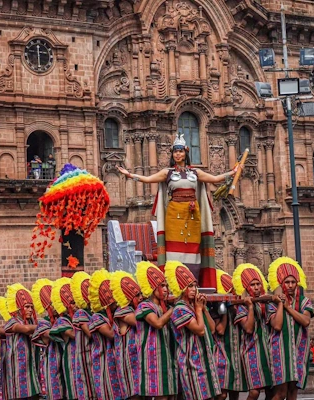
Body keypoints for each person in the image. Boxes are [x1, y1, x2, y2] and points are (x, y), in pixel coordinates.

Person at [117, 132, 240, 287]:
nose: (178, 154)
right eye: (175, 151)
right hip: (174, 216)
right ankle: (174, 282)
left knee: (193, 248)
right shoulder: (167, 173)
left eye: (180, 151)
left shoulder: (195, 173)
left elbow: (215, 179)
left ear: (186, 153)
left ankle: (192, 284)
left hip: (193, 215)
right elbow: (148, 179)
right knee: (175, 250)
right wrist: (129, 175)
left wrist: (233, 172)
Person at [165, 260, 221, 400]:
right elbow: (200, 330)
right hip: (191, 364)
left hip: (205, 361)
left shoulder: (196, 306)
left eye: (195, 286)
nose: (193, 290)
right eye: (189, 286)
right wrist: (198, 309)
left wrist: (203, 309)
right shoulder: (179, 309)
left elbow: (212, 329)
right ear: (181, 288)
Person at [267, 257, 314, 400]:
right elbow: (277, 325)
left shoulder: (304, 302)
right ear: (281, 283)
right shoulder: (273, 303)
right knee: (280, 393)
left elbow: (305, 321)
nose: (290, 285)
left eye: (293, 282)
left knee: (293, 391)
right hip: (280, 352)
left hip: (299, 351)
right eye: (287, 282)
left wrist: (288, 307)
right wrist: (281, 304)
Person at [135, 261, 178, 400]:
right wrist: (174, 308)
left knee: (168, 396)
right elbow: (158, 323)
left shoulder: (164, 307)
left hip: (166, 357)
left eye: (166, 286)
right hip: (152, 360)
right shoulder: (145, 306)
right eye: (162, 286)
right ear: (153, 288)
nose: (166, 289)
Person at [232, 264, 274, 400]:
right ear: (246, 287)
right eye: (252, 285)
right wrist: (250, 307)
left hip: (268, 351)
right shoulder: (241, 307)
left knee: (271, 391)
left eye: (258, 284)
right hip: (251, 352)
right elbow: (249, 329)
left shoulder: (266, 304)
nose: (256, 288)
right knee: (254, 392)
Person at [212, 270, 247, 400]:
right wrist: (224, 310)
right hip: (221, 353)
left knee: (234, 392)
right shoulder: (215, 309)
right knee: (222, 394)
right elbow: (220, 329)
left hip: (236, 354)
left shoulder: (239, 308)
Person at [88, 269, 122, 400]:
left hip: (116, 363)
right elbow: (112, 334)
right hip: (103, 364)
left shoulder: (115, 315)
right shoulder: (97, 318)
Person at [4, 283, 41, 400]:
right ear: (19, 308)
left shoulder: (31, 323)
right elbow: (25, 329)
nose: (30, 310)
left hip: (32, 369)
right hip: (18, 371)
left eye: (31, 307)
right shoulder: (13, 321)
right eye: (27, 307)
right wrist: (45, 327)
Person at [111, 271, 143, 400]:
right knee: (133, 394)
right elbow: (140, 322)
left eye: (141, 294)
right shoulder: (123, 312)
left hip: (137, 359)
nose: (141, 297)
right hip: (128, 361)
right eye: (137, 295)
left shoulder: (134, 309)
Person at [31, 278, 64, 400]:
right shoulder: (43, 323)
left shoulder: (64, 319)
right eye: (53, 302)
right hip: (53, 364)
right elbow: (53, 336)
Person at [50, 278, 79, 400]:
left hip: (82, 361)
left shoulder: (80, 317)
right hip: (71, 363)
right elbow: (75, 335)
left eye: (76, 301)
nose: (76, 305)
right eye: (72, 302)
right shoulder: (62, 321)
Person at [71, 271, 97, 400]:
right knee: (88, 391)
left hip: (94, 357)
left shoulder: (93, 312)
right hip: (84, 357)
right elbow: (91, 334)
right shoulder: (81, 313)